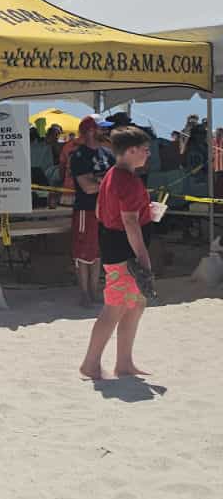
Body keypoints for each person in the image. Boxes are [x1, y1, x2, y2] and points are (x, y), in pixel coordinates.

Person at [79, 127, 154, 380]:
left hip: (115, 245)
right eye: (145, 149)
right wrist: (144, 258)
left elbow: (101, 212)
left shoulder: (112, 174)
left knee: (135, 305)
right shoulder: (128, 180)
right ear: (131, 151)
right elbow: (130, 222)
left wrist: (146, 211)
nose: (148, 154)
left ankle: (124, 362)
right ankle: (90, 364)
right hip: (124, 251)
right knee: (115, 307)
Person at [68, 116, 115, 307]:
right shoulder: (79, 155)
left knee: (97, 253)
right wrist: (105, 182)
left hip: (104, 209)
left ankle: (94, 292)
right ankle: (84, 293)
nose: (105, 132)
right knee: (82, 253)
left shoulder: (108, 153)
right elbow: (87, 187)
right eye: (101, 128)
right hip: (85, 210)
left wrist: (100, 182)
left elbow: (117, 180)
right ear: (89, 131)